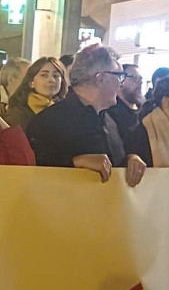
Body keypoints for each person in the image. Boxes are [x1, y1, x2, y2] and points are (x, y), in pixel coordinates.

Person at [25, 45, 147, 187]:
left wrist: (131, 160)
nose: (121, 83)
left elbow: (112, 163)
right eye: (119, 76)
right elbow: (33, 170)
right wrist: (75, 162)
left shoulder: (109, 119)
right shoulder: (50, 121)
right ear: (100, 79)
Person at [3, 57, 68, 130]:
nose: (51, 80)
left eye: (56, 76)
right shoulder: (18, 114)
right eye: (44, 75)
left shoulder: (66, 111)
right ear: (31, 82)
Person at [106, 63, 143, 139]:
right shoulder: (111, 113)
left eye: (140, 78)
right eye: (135, 77)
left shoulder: (144, 111)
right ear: (121, 80)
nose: (140, 82)